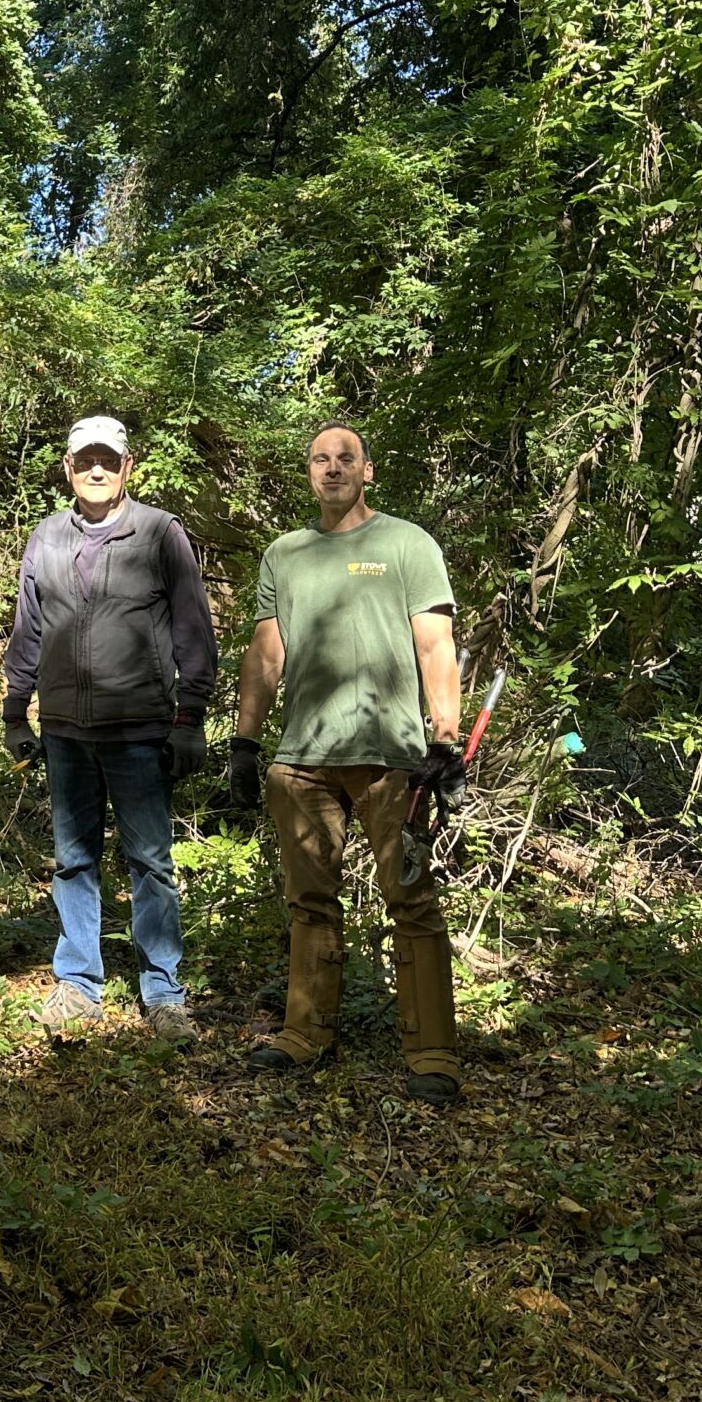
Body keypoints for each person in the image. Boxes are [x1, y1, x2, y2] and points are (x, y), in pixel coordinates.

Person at [227, 420, 466, 1103]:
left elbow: (435, 646)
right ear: (309, 473)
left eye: (345, 458)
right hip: (303, 761)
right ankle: (305, 1035)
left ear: (367, 471)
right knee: (308, 902)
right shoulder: (286, 554)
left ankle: (433, 1054)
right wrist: (245, 743)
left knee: (411, 901)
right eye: (319, 459)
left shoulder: (406, 544)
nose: (331, 468)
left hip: (392, 761)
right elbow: (266, 653)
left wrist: (444, 739)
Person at [2, 415, 218, 1043]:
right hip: (65, 731)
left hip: (140, 729)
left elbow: (193, 631)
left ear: (128, 466)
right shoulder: (46, 538)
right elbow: (29, 631)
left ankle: (163, 993)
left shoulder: (160, 533)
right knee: (73, 861)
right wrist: (16, 711)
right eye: (85, 460)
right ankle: (77, 984)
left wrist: (189, 719)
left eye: (107, 460)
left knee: (150, 862)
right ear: (68, 468)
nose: (96, 470)